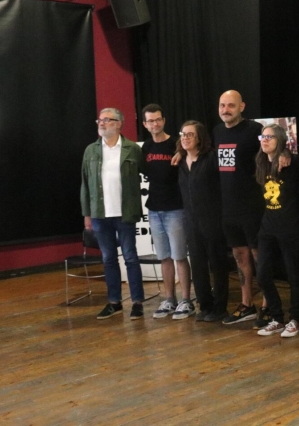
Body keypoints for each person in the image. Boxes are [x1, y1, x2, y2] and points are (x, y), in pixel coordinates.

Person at [81, 108, 145, 320]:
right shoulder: (91, 150)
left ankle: (137, 302)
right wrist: (87, 214)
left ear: (119, 124)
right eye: (100, 119)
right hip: (100, 214)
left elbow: (146, 173)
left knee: (130, 257)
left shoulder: (132, 149)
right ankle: (114, 302)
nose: (102, 123)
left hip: (124, 212)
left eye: (107, 120)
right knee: (108, 259)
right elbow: (85, 184)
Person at [255, 125, 299, 338]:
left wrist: (287, 153)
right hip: (268, 227)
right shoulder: (261, 162)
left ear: (280, 139)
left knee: (294, 275)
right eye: (263, 136)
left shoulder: (293, 162)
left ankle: (295, 319)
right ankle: (277, 318)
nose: (265, 140)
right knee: (262, 274)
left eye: (270, 136)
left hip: (291, 227)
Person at [213, 90, 265, 324]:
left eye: (231, 105)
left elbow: (274, 153)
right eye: (222, 105)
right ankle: (247, 304)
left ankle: (268, 303)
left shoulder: (255, 130)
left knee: (259, 256)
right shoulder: (216, 132)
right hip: (227, 207)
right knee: (239, 256)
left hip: (253, 207)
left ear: (242, 106)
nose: (226, 110)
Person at [140, 104, 193, 320]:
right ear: (145, 124)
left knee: (179, 255)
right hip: (154, 209)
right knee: (164, 257)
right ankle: (169, 299)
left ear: (164, 120)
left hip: (176, 208)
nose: (155, 124)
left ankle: (186, 301)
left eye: (158, 120)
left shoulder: (177, 144)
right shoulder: (145, 148)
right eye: (150, 121)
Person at [177, 120, 231, 322]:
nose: (185, 137)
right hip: (191, 221)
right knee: (198, 264)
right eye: (183, 134)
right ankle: (205, 305)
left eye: (190, 134)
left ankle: (220, 307)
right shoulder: (181, 161)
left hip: (213, 219)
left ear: (200, 137)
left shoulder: (212, 158)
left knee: (217, 264)